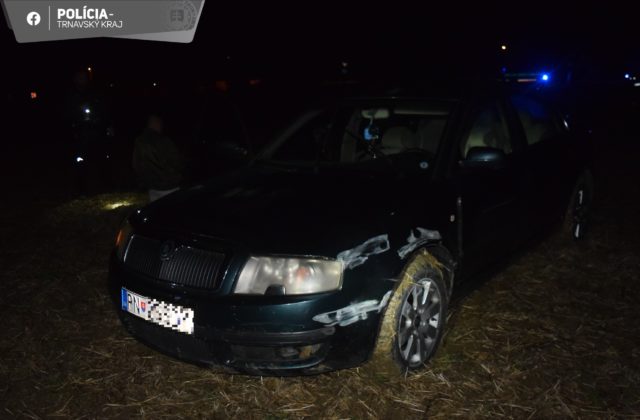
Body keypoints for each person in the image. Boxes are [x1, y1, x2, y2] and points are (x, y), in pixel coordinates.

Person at [132, 114, 185, 202]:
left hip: (152, 188)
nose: (161, 127)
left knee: (158, 213)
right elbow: (177, 162)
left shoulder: (139, 141)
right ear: (155, 124)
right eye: (160, 124)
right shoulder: (164, 141)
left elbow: (136, 165)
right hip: (170, 188)